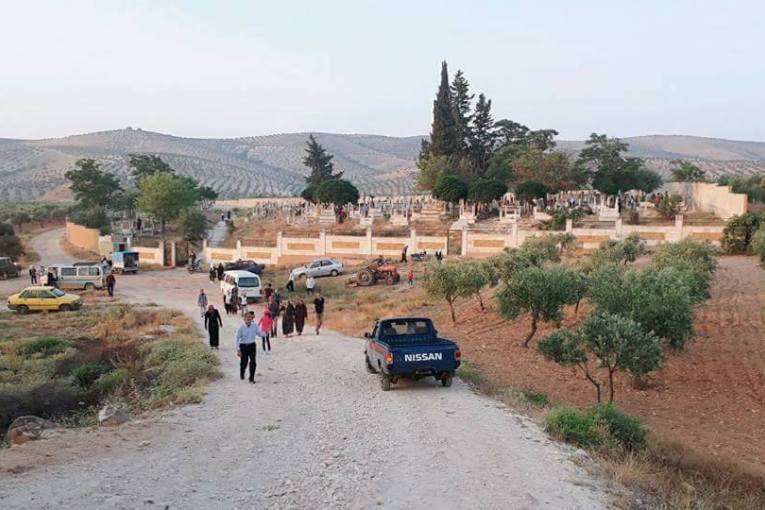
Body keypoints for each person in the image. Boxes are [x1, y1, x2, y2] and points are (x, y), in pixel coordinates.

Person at [234, 312, 264, 384]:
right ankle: (242, 372)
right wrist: (238, 349)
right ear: (244, 319)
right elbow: (237, 338)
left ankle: (251, 378)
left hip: (252, 345)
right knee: (244, 362)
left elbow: (259, 333)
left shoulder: (255, 326)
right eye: (247, 318)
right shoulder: (240, 327)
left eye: (250, 318)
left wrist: (265, 332)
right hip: (243, 346)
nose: (249, 319)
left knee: (253, 361)